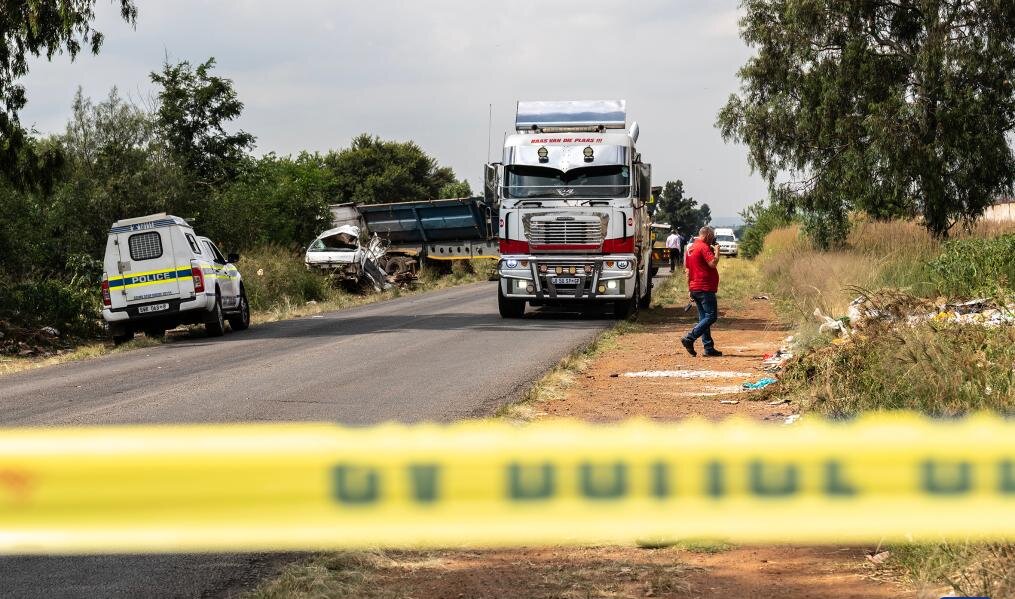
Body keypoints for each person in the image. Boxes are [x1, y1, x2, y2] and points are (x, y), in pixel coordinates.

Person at [681, 226, 722, 357]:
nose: (713, 239)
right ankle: (689, 338)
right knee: (711, 316)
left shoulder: (691, 248)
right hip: (705, 288)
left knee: (704, 318)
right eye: (712, 236)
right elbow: (713, 263)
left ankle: (708, 347)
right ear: (707, 235)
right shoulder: (703, 247)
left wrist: (689, 289)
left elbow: (687, 271)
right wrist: (717, 252)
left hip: (695, 287)